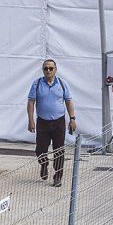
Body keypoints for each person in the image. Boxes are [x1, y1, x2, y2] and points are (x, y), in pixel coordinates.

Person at [26, 58, 75, 186]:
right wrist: (30, 120)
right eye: (45, 68)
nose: (48, 70)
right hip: (42, 123)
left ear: (55, 69)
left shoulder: (62, 84)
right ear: (43, 70)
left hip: (59, 122)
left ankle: (57, 177)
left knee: (59, 150)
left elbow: (68, 101)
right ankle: (44, 164)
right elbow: (31, 102)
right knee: (40, 150)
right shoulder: (36, 84)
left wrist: (72, 119)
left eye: (51, 68)